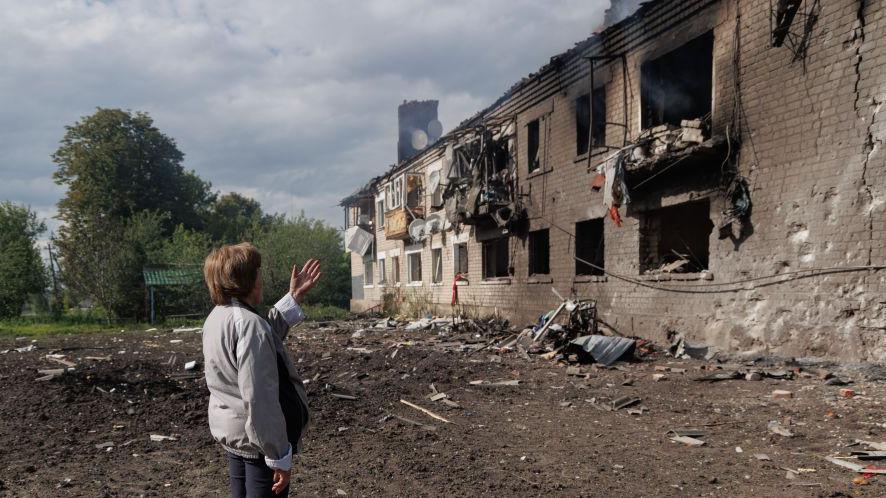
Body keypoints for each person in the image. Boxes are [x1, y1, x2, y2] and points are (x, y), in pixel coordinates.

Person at [201, 243, 321, 497]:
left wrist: (293, 298)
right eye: (257, 273)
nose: (261, 280)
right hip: (258, 445)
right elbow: (260, 398)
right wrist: (278, 455)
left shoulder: (218, 316)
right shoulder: (248, 325)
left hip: (236, 436)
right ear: (246, 281)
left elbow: (262, 339)